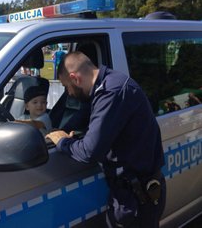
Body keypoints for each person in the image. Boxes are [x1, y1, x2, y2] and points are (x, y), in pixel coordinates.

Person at [46, 51, 166, 228]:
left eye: (66, 87)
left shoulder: (112, 92)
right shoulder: (106, 83)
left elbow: (89, 151)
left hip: (138, 200)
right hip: (134, 194)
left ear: (75, 78)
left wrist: (62, 142)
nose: (69, 94)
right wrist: (60, 131)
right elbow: (84, 116)